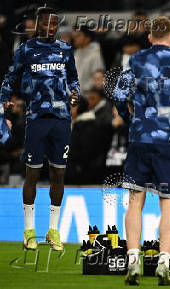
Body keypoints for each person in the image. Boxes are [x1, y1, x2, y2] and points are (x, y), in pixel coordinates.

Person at [112, 16, 170, 286]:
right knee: (168, 202)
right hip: (169, 142)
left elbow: (119, 96)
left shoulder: (137, 60)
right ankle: (164, 263)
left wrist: (129, 119)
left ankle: (132, 260)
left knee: (134, 201)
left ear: (150, 37)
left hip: (140, 139)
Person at [0, 6, 79, 251]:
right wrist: (5, 99)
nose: (51, 28)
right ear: (37, 25)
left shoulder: (65, 49)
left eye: (55, 24)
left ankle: (53, 231)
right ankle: (29, 232)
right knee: (32, 174)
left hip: (61, 119)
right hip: (36, 118)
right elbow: (10, 77)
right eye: (46, 24)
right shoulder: (26, 50)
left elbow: (74, 78)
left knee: (58, 174)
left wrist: (75, 93)